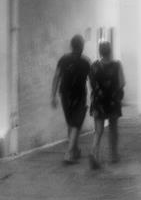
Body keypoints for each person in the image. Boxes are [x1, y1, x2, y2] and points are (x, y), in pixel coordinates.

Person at [51, 34, 91, 164]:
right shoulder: (86, 61)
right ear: (82, 47)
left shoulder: (63, 60)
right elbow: (92, 80)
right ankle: (69, 153)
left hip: (65, 95)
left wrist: (53, 96)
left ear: (71, 46)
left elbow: (56, 77)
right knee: (75, 124)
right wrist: (96, 95)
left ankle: (75, 150)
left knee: (72, 123)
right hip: (79, 96)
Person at [89, 40, 126, 169]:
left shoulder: (94, 66)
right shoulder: (116, 65)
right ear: (110, 51)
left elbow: (92, 85)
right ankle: (113, 155)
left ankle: (94, 153)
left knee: (98, 130)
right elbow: (122, 83)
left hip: (98, 101)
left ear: (100, 51)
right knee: (113, 129)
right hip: (112, 101)